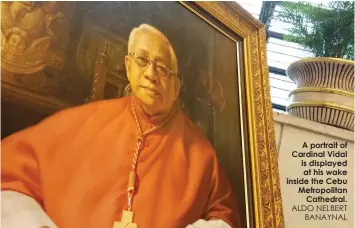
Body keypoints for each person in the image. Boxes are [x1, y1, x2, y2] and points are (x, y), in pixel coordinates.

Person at [1, 24, 241, 228]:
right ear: (128, 66)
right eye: (142, 60)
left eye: (163, 68)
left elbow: (224, 215)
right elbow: (10, 170)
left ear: (176, 87)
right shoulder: (86, 120)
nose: (150, 74)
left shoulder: (202, 155)